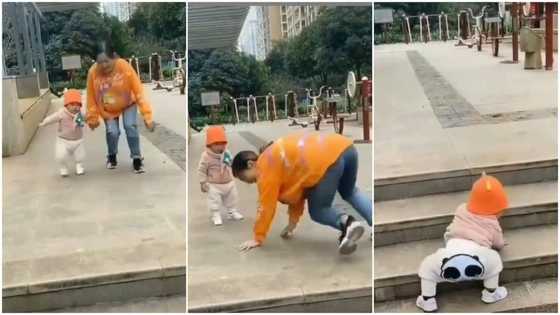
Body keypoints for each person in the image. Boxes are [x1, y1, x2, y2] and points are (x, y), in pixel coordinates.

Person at [232, 132, 372, 255]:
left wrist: (258, 237)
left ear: (250, 164)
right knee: (349, 192)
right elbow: (297, 194)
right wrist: (292, 224)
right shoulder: (276, 159)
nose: (248, 182)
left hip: (328, 160)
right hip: (346, 148)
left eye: (243, 177)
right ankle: (375, 225)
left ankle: (347, 223)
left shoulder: (264, 168)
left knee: (318, 210)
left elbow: (266, 206)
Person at [416, 173, 509, 312]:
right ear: (499, 209)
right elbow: (498, 243)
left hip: (449, 257)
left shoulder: (461, 209)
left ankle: (427, 300)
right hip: (478, 259)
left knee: (427, 267)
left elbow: (453, 227)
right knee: (495, 260)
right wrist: (501, 244)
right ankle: (491, 293)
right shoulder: (493, 222)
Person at [86, 43, 154, 173]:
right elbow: (91, 97)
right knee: (113, 132)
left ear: (115, 57)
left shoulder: (123, 66)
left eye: (107, 61)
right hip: (108, 108)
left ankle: (137, 158)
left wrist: (147, 115)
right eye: (100, 62)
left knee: (130, 126)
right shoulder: (93, 73)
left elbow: (138, 90)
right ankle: (111, 156)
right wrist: (92, 118)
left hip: (128, 102)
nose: (104, 65)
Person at [197, 125, 244, 225]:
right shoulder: (206, 156)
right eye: (217, 144)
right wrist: (203, 182)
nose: (221, 146)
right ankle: (215, 214)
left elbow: (232, 163)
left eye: (223, 143)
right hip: (214, 184)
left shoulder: (226, 152)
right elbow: (201, 170)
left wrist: (233, 165)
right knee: (214, 200)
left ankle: (232, 211)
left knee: (233, 196)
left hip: (228, 181)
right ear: (210, 144)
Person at [39, 89, 86, 177]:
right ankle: (63, 167)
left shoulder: (80, 114)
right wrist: (45, 122)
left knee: (80, 156)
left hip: (78, 140)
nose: (75, 107)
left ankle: (79, 166)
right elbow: (52, 118)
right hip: (63, 140)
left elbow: (89, 118)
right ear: (66, 105)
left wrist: (92, 121)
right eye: (72, 104)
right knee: (61, 156)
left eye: (78, 105)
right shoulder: (61, 113)